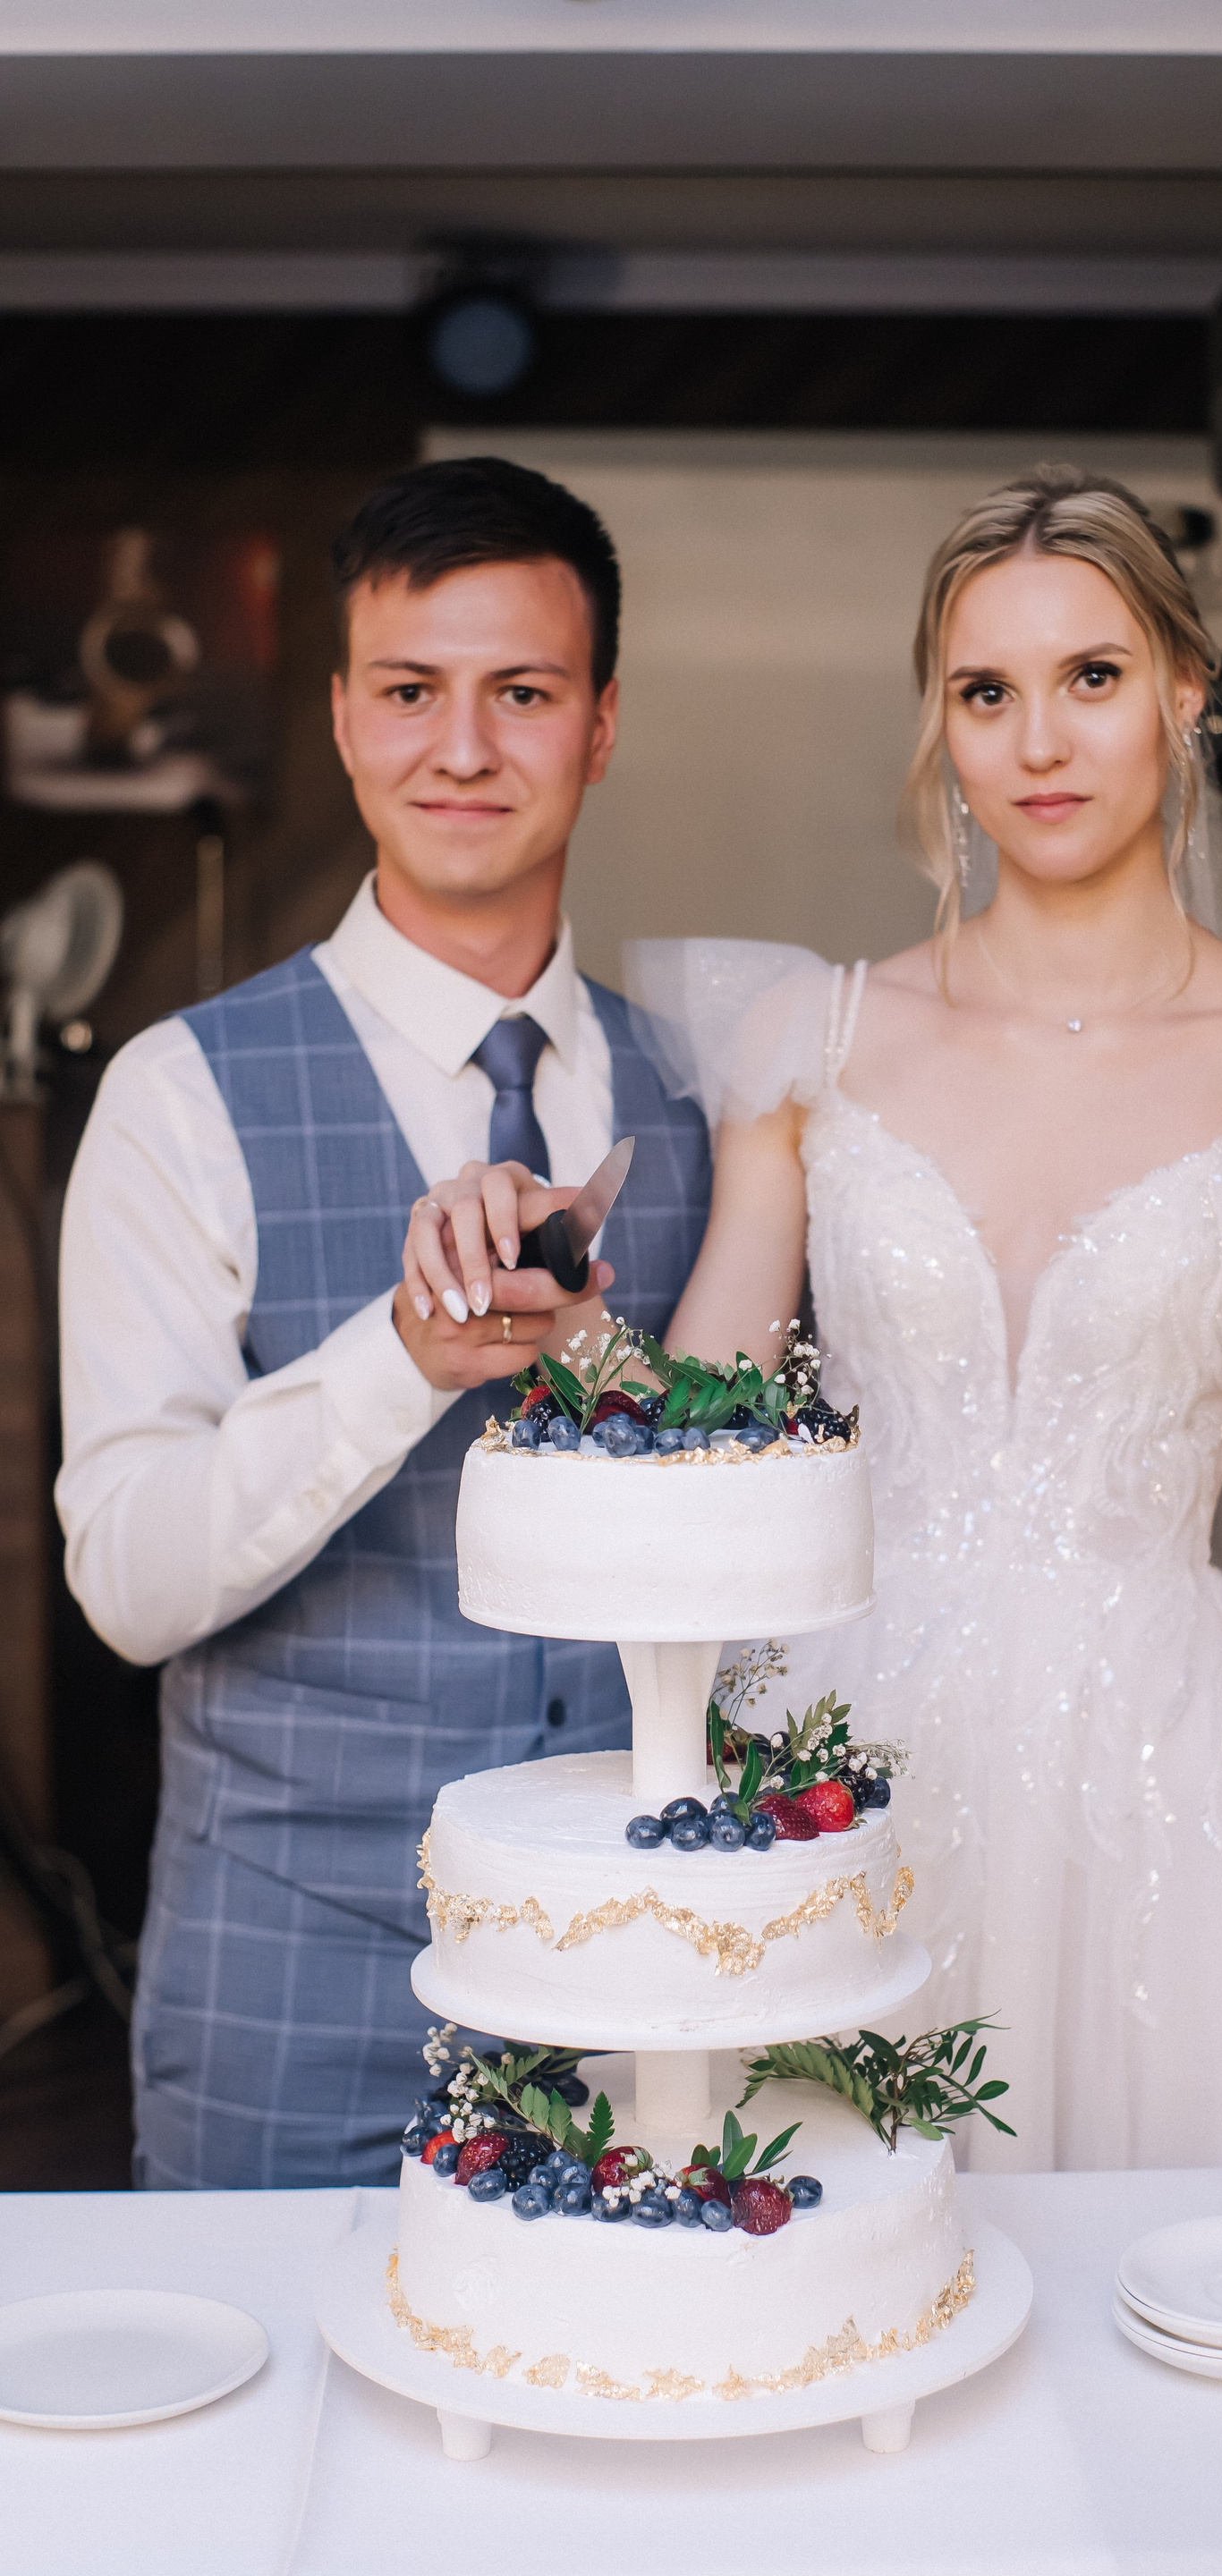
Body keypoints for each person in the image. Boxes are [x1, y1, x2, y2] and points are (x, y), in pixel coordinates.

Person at [622, 464, 1222, 2170]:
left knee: (1160, 2280)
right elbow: (694, 1453)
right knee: (829, 2256)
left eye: (1092, 677)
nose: (1039, 742)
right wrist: (548, 1329)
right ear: (941, 725)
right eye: (987, 692)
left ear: (1186, 691)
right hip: (845, 1759)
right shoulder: (808, 1043)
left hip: (1164, 1789)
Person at [57, 456, 710, 2188]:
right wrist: (400, 1357)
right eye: (412, 692)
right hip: (297, 1972)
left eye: (525, 694)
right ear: (345, 719)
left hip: (644, 1967)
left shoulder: (706, 1095)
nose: (464, 747)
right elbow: (125, 1583)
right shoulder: (177, 1097)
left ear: (602, 725)